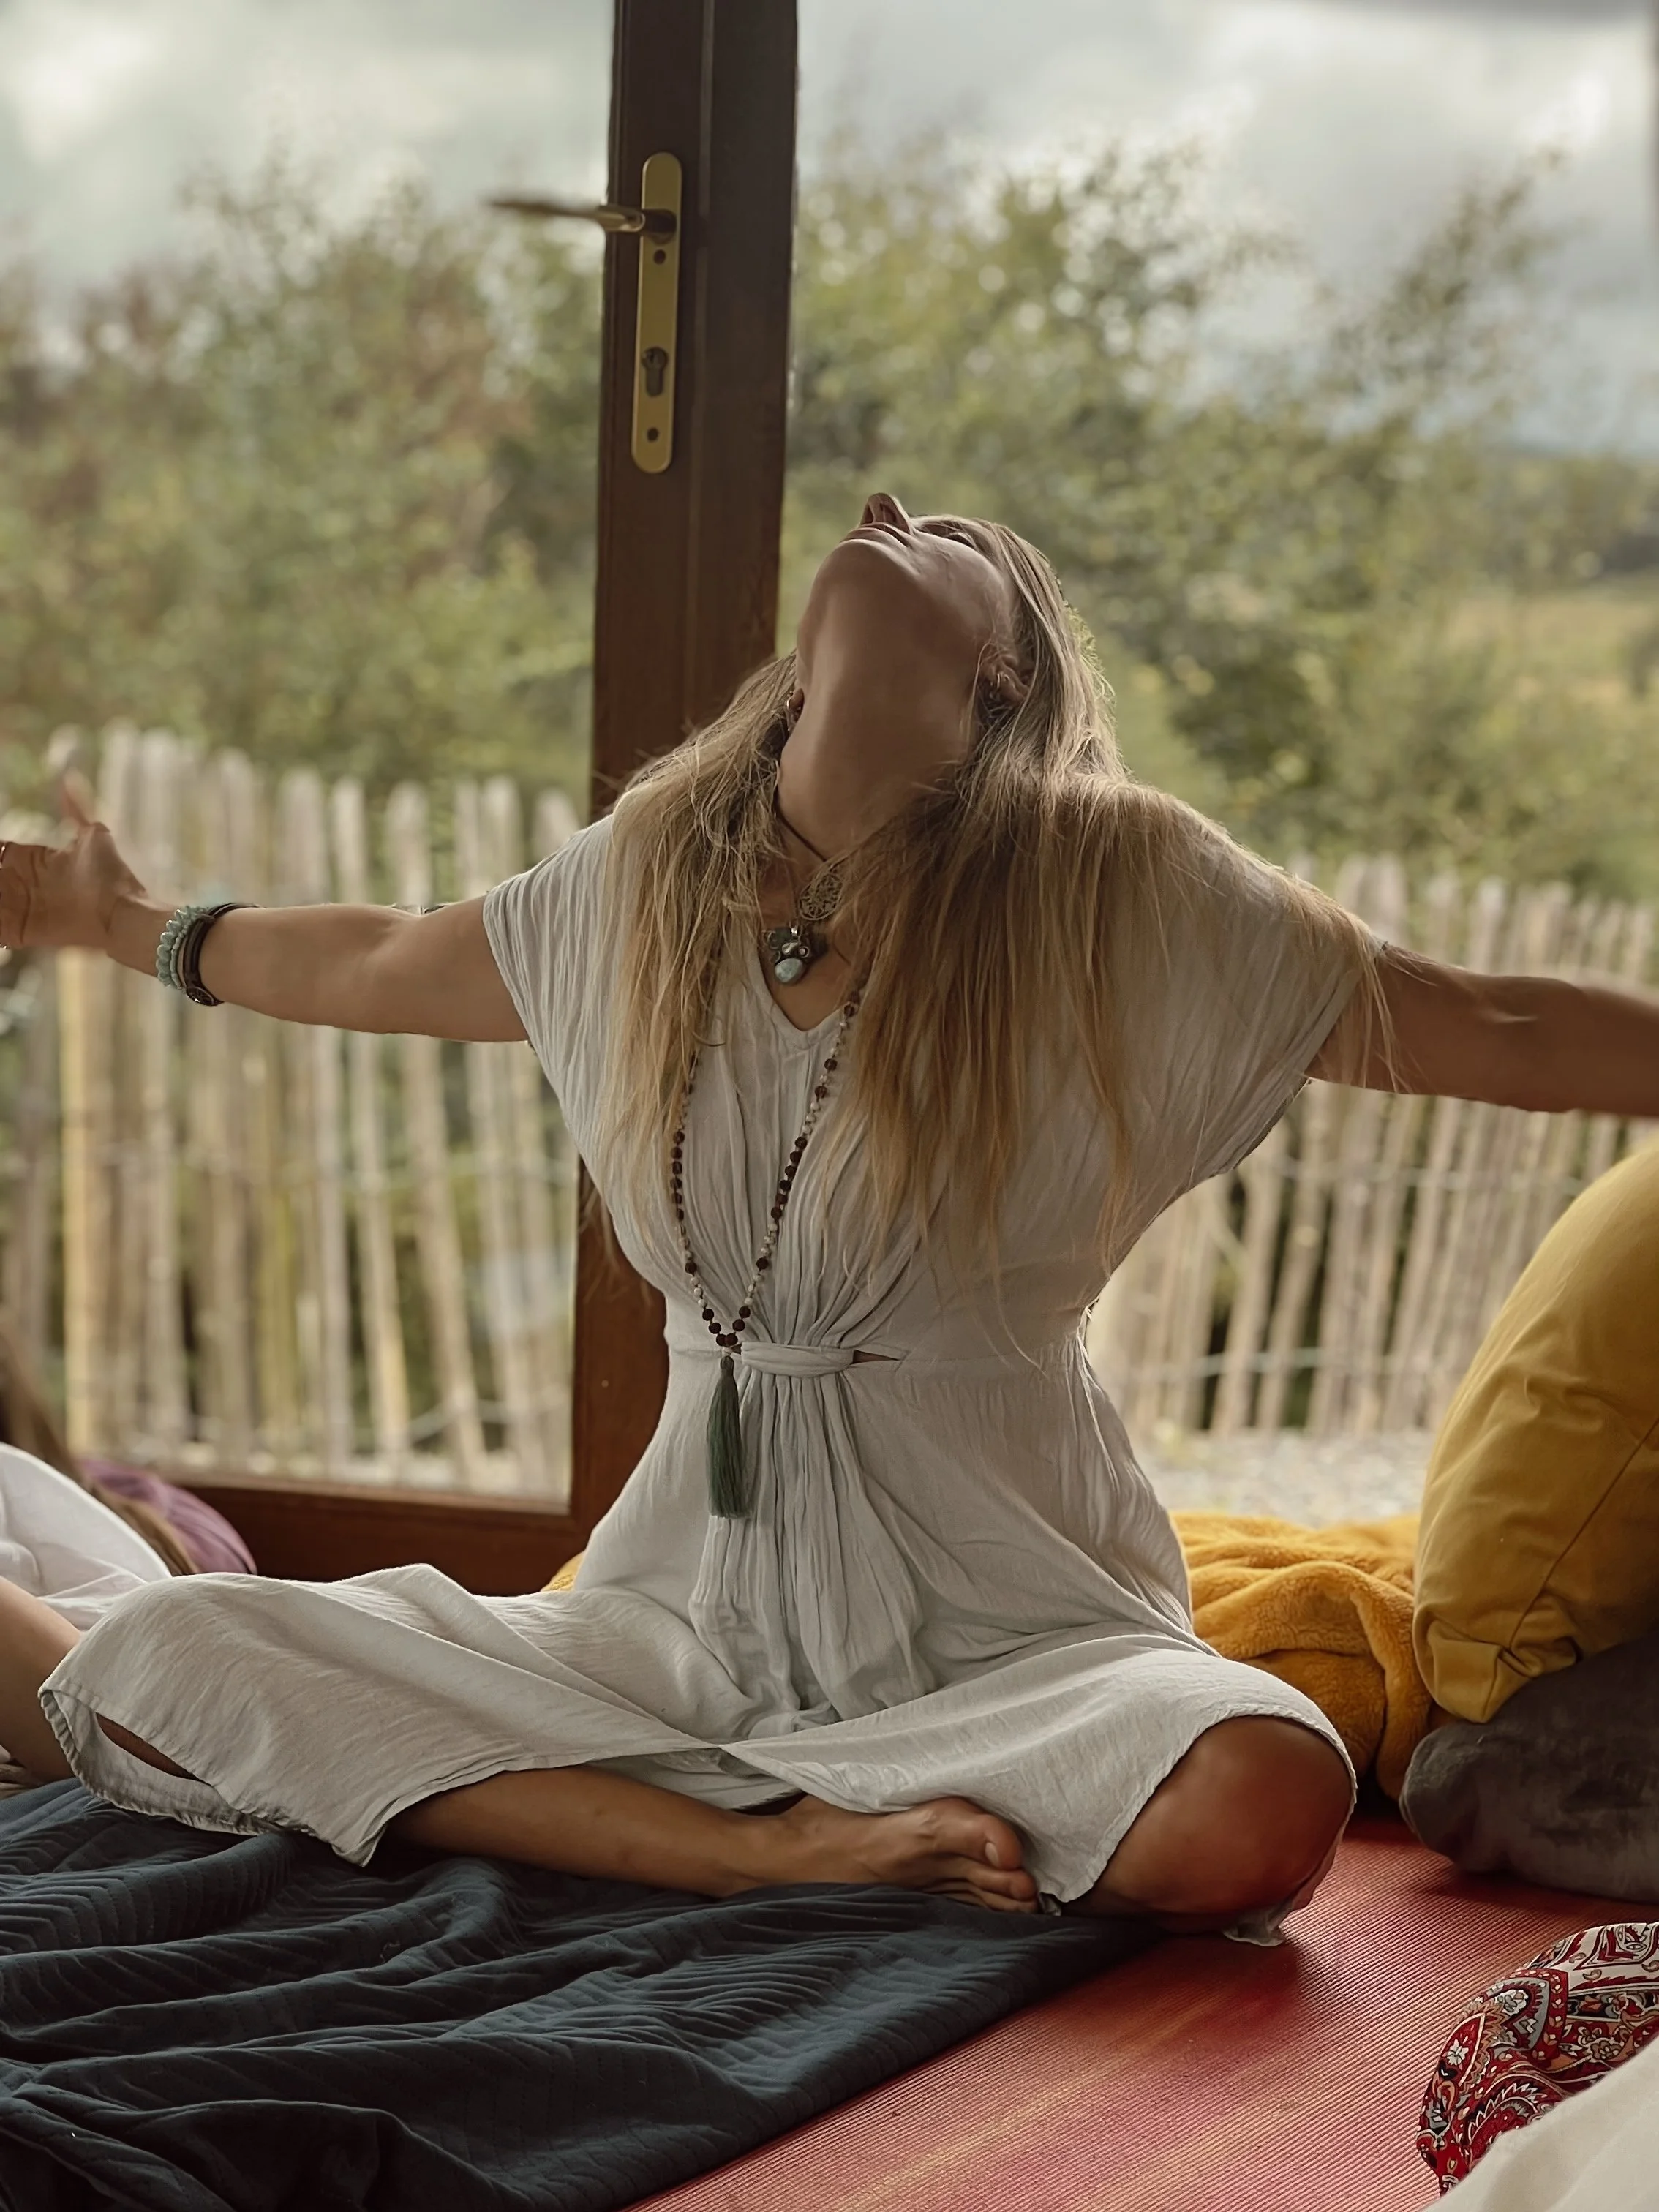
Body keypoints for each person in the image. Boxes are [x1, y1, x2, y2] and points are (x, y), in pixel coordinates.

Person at [2, 492, 1658, 1938]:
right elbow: (378, 955)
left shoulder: (1123, 892)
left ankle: (693, 1820)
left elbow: (1495, 1023)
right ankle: (761, 1850)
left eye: (941, 529)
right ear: (795, 671)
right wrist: (124, 924)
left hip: (1013, 1646)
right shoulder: (647, 878)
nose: (881, 505)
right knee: (172, 1652)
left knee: (1266, 1788)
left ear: (1002, 667)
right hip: (666, 1634)